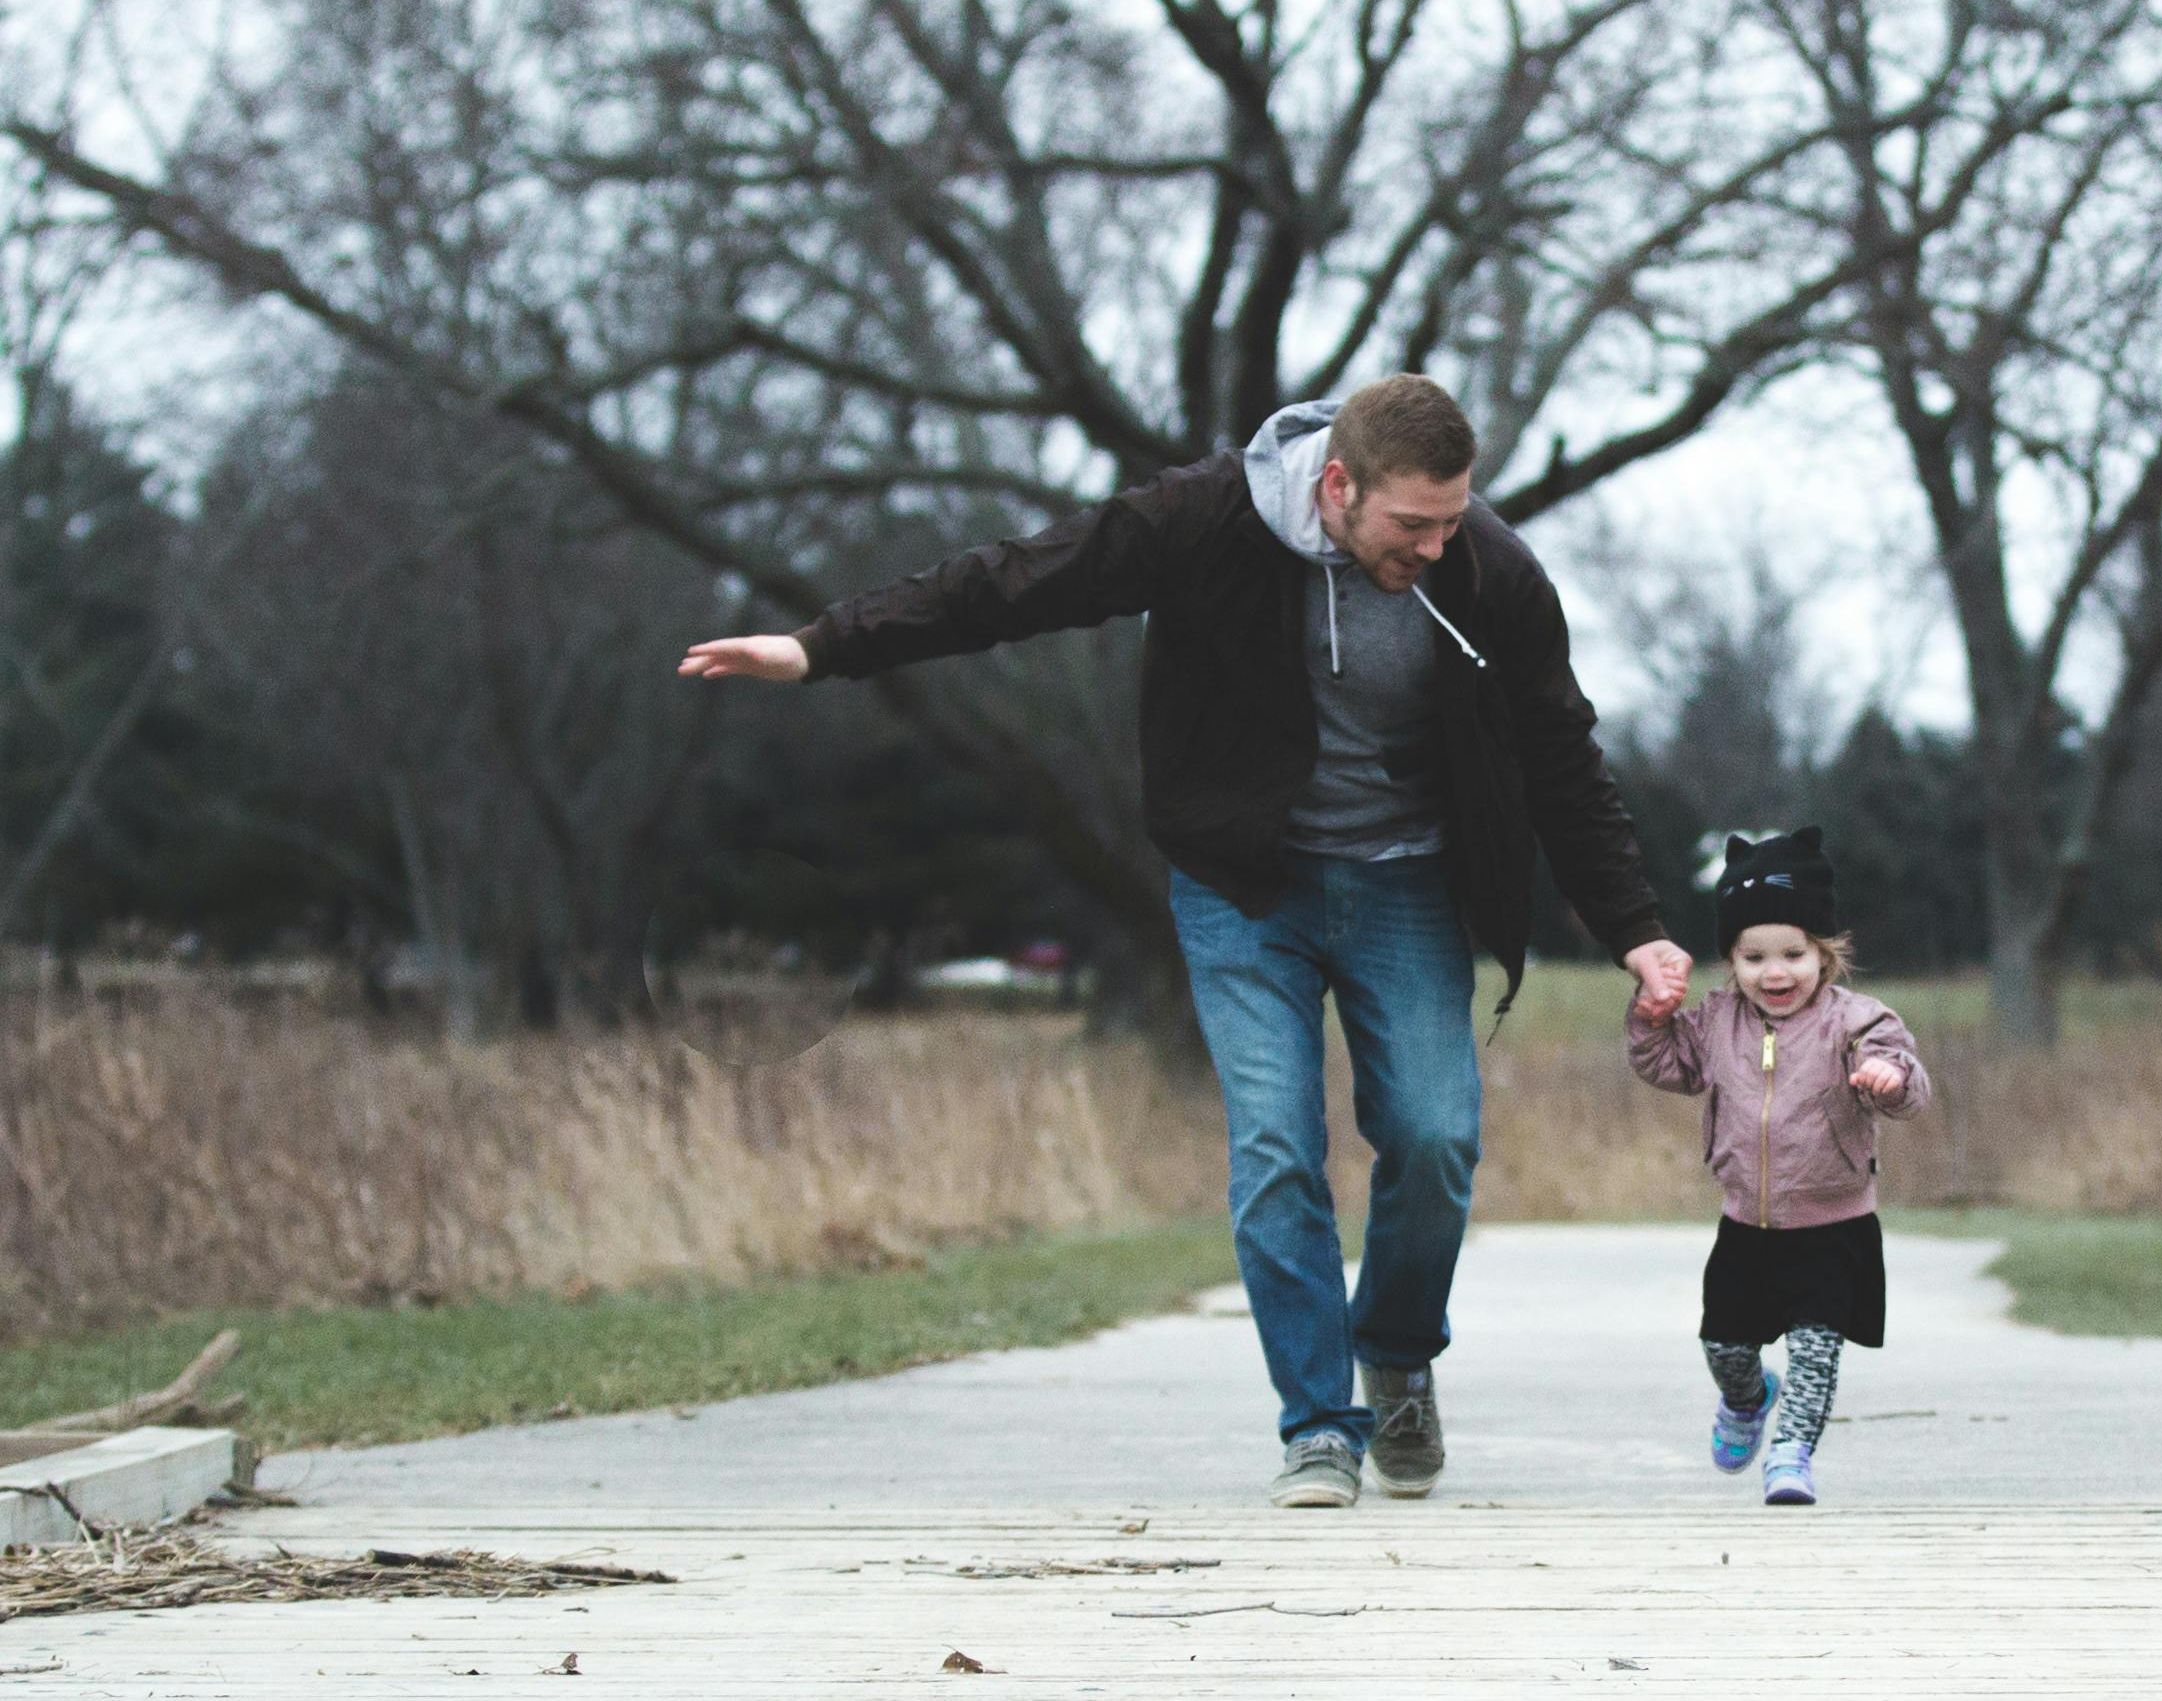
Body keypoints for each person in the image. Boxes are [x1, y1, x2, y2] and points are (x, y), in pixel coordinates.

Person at [678, 376, 1692, 1508]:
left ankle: (1398, 1353)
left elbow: (1562, 754)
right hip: (1241, 884)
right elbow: (1018, 582)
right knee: (1274, 1150)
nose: (1435, 546)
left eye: (1452, 519)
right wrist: (820, 648)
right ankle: (1318, 1424)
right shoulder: (1205, 518)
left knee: (1435, 1136)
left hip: (1402, 883)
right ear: (1338, 484)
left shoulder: (1489, 571)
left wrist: (1636, 933)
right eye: (1412, 526)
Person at [1625, 827, 1928, 1506]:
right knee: (1724, 1347)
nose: (1775, 972)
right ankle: (1749, 1395)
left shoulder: (1857, 1022)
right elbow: (1664, 1065)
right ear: (1730, 961)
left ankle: (1790, 1455)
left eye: (1793, 953)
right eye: (1753, 956)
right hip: (1745, 1225)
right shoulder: (1715, 1021)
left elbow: (1910, 1081)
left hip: (1833, 1226)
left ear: (1824, 953)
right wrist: (1649, 1021)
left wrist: (1889, 1076)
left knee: (1816, 1353)